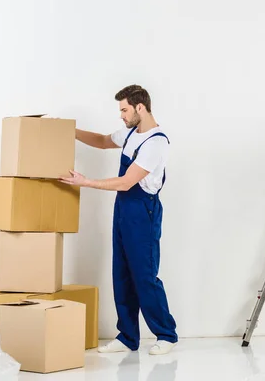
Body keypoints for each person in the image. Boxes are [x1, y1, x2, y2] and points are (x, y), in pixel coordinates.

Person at [60, 85, 178, 355]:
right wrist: (69, 131)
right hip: (123, 210)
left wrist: (85, 181)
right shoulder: (130, 133)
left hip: (143, 212)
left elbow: (126, 182)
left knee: (144, 275)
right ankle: (127, 336)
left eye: (124, 109)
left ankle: (166, 334)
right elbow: (102, 141)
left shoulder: (156, 142)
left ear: (140, 107)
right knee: (121, 274)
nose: (121, 115)